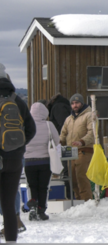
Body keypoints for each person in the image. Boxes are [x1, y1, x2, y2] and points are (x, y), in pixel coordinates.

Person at [0, 67, 36, 242]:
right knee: (8, 206)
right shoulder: (17, 100)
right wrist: (17, 148)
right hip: (14, 160)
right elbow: (31, 129)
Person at [24, 102, 60, 221]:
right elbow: (57, 140)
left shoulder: (25, 125)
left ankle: (33, 203)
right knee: (43, 187)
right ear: (45, 112)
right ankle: (41, 210)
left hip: (29, 162)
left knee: (32, 185)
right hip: (45, 161)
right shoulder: (49, 125)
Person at [59, 93, 94, 201]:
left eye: (77, 103)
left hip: (84, 151)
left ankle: (87, 201)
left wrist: (82, 141)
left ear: (82, 103)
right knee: (72, 178)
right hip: (70, 151)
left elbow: (92, 132)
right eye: (73, 103)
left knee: (81, 177)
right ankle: (78, 201)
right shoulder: (68, 119)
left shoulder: (89, 115)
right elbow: (63, 134)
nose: (75, 105)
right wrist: (58, 142)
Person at [47, 93, 72, 199]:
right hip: (66, 142)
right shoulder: (62, 105)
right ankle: (70, 194)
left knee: (66, 168)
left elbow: (63, 126)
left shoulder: (58, 107)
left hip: (63, 143)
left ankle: (69, 195)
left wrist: (60, 139)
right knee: (67, 168)